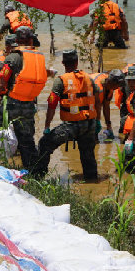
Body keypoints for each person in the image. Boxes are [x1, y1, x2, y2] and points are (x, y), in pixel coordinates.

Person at [0, 26, 46, 167]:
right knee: (27, 141)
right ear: (31, 39)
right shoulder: (39, 57)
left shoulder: (13, 57)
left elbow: (1, 83)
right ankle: (34, 172)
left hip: (12, 104)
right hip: (29, 106)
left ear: (17, 40)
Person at [32, 49, 102, 181]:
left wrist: (47, 126)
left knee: (45, 144)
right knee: (88, 154)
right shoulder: (89, 78)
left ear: (63, 63)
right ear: (76, 62)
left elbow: (52, 104)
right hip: (90, 124)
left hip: (72, 126)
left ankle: (38, 177)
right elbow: (98, 101)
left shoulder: (61, 81)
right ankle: (92, 181)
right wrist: (98, 121)